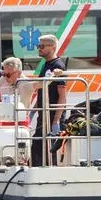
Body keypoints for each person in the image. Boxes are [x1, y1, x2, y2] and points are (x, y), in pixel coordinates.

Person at [31, 34, 67, 167]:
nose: (39, 49)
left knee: (48, 149)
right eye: (38, 46)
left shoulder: (58, 66)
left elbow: (62, 96)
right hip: (44, 114)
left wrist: (56, 121)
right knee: (38, 146)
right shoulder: (46, 64)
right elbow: (42, 90)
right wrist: (33, 110)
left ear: (52, 47)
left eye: (41, 46)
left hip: (52, 115)